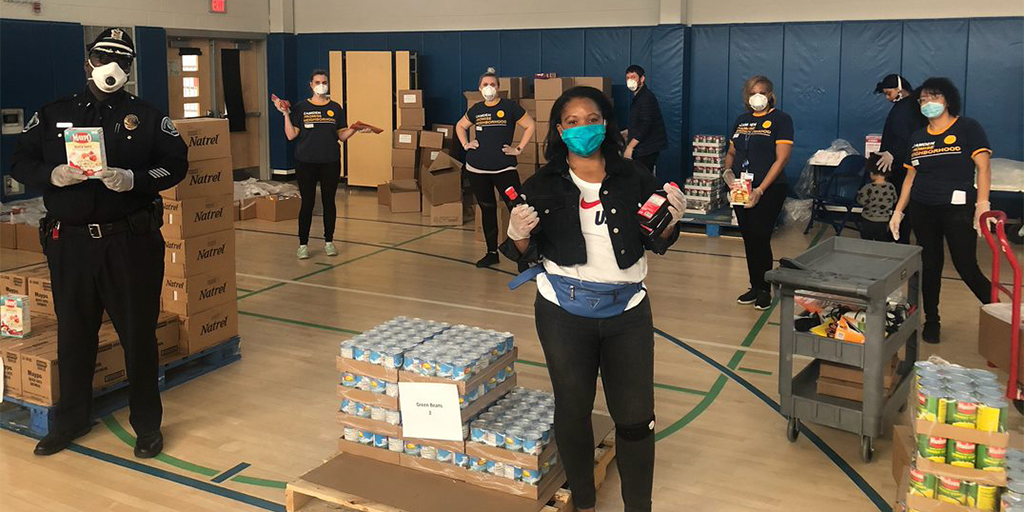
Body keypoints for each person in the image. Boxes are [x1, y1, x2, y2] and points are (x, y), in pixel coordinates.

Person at [500, 86, 686, 512]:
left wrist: (670, 222)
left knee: (636, 418)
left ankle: (638, 506)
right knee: (573, 408)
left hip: (628, 312)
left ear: (606, 124)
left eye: (592, 119)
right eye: (572, 121)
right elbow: (521, 252)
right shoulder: (541, 184)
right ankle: (583, 501)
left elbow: (656, 240)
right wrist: (516, 234)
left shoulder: (635, 175)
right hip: (562, 311)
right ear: (559, 131)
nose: (583, 128)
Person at [10, 28, 188, 457]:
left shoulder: (146, 117)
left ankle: (146, 425)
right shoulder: (55, 113)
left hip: (127, 243)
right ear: (87, 62)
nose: (112, 67)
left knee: (137, 335)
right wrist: (51, 175)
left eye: (122, 60)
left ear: (130, 68)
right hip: (69, 244)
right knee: (73, 334)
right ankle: (71, 421)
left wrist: (135, 180)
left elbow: (177, 164)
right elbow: (19, 160)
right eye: (104, 56)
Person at [889, 77, 992, 344]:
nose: (928, 103)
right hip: (923, 210)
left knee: (967, 267)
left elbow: (983, 168)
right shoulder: (918, 137)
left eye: (934, 97)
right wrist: (899, 211)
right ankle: (932, 320)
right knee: (930, 267)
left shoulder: (968, 128)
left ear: (948, 100)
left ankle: (1003, 315)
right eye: (923, 100)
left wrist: (982, 205)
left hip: (957, 210)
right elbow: (911, 178)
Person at [274, 69, 372, 260]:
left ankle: (329, 241)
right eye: (317, 82)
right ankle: (303, 244)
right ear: (311, 85)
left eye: (324, 82)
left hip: (330, 162)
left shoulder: (335, 108)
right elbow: (291, 135)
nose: (321, 85)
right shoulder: (301, 108)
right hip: (305, 163)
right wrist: (285, 114)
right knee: (308, 203)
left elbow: (341, 136)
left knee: (329, 202)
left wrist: (354, 129)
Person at [723, 75, 793, 310]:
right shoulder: (741, 121)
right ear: (747, 96)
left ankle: (765, 289)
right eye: (752, 92)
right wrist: (727, 173)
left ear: (771, 94)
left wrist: (761, 189)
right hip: (741, 187)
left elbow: (781, 159)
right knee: (748, 237)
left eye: (761, 92)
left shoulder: (781, 120)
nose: (757, 97)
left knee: (761, 237)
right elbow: (732, 152)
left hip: (770, 188)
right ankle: (754, 285)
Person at [456, 70, 536, 267]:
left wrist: (518, 149)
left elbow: (530, 125)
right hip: (477, 169)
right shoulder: (476, 109)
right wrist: (466, 144)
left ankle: (522, 256)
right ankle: (491, 252)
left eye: (492, 84)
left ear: (498, 87)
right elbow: (460, 126)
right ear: (479, 88)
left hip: (504, 169)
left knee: (517, 209)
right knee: (487, 209)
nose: (489, 88)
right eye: (485, 84)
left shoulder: (510, 107)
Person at [874, 73, 925, 244]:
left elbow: (907, 136)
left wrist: (893, 153)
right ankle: (897, 236)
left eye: (889, 93)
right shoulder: (906, 106)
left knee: (903, 206)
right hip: (900, 163)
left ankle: (899, 240)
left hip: (903, 165)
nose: (888, 98)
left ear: (900, 89)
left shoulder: (907, 108)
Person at [623, 65, 667, 174]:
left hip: (647, 148)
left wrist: (630, 147)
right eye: (628, 78)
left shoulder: (646, 97)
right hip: (644, 146)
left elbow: (646, 124)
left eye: (633, 77)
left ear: (642, 79)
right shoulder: (639, 97)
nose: (630, 81)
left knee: (642, 178)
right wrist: (628, 132)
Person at [857, 154, 897, 242]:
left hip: (868, 219)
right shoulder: (891, 187)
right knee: (881, 242)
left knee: (866, 241)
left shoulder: (868, 188)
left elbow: (861, 201)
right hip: (883, 221)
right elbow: (894, 200)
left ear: (872, 172)